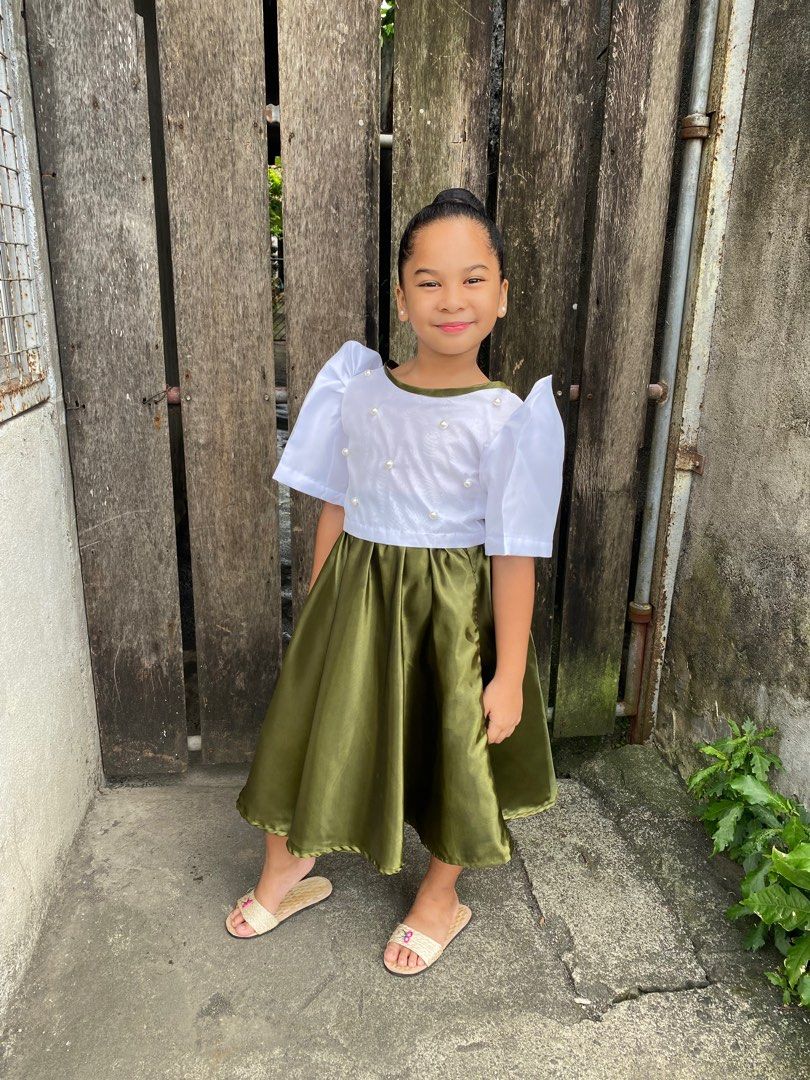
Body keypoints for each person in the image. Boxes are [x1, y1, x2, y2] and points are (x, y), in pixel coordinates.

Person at [226, 188, 565, 976]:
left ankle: (441, 896)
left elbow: (514, 556)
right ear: (403, 297)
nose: (452, 300)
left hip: (450, 618)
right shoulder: (357, 387)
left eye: (473, 279)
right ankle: (287, 865)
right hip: (354, 603)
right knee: (308, 734)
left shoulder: (509, 419)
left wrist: (509, 674)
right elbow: (338, 505)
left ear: (502, 294)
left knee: (453, 746)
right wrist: (316, 612)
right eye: (429, 281)